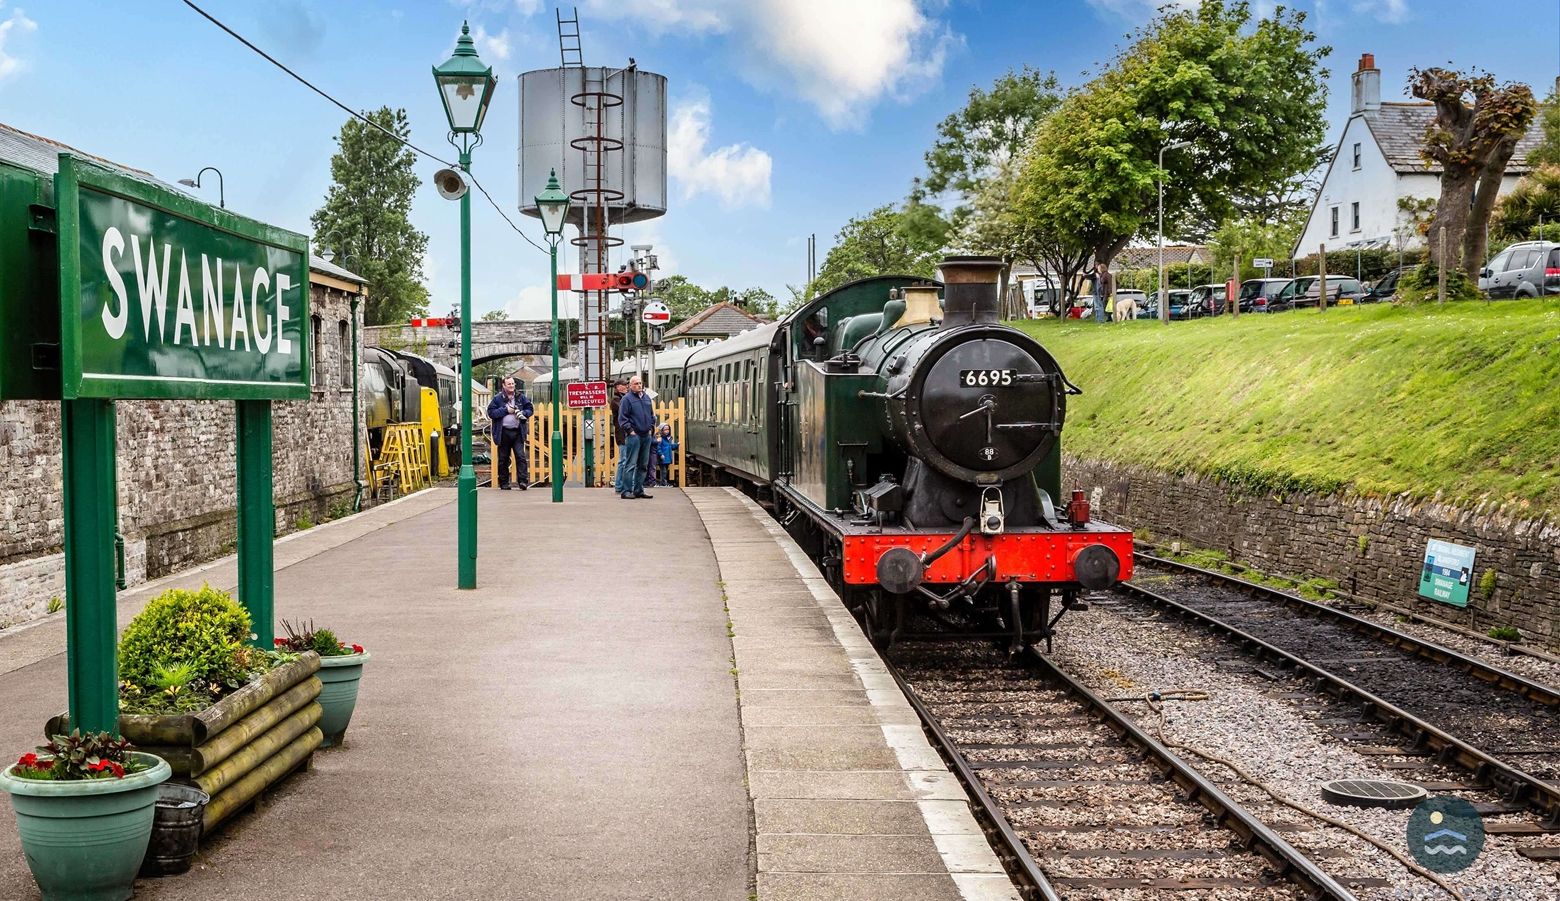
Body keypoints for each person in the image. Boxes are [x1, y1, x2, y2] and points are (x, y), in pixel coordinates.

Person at [486, 377, 533, 490]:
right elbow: (491, 412)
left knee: (521, 457)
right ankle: (504, 483)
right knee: (503, 459)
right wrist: (506, 410)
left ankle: (523, 482)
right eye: (509, 384)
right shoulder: (498, 399)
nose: (511, 386)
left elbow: (530, 409)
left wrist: (523, 413)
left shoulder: (520, 398)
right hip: (503, 432)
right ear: (504, 385)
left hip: (517, 432)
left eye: (512, 384)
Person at [617, 375, 657, 499]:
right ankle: (626, 491)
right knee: (630, 464)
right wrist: (631, 431)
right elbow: (622, 418)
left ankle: (639, 490)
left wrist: (651, 429)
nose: (639, 385)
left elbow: (651, 415)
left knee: (643, 465)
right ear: (630, 386)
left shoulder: (646, 398)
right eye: (636, 384)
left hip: (646, 435)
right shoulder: (627, 399)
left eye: (640, 383)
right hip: (634, 436)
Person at [609, 379, 629, 494]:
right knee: (623, 460)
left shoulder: (624, 398)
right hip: (622, 433)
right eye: (624, 385)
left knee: (628, 460)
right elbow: (625, 410)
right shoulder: (616, 400)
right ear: (617, 387)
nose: (626, 387)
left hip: (627, 433)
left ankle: (625, 484)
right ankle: (619, 485)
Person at [654, 423, 678, 488]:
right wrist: (661, 454)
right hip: (663, 458)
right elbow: (658, 448)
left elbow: (670, 447)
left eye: (668, 429)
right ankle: (663, 482)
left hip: (667, 458)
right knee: (663, 471)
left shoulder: (668, 439)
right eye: (665, 430)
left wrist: (676, 444)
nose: (667, 431)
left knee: (665, 471)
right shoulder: (661, 439)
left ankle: (664, 482)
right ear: (662, 431)